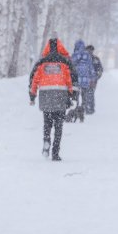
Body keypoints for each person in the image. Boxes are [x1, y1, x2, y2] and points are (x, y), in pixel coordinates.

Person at [29, 33, 76, 161]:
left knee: (47, 122)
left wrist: (32, 95)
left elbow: (35, 80)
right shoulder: (64, 62)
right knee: (59, 125)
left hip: (45, 95)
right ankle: (55, 152)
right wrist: (71, 94)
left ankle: (46, 142)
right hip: (60, 94)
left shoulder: (42, 63)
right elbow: (69, 80)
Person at [71, 40, 97, 115]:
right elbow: (91, 68)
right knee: (84, 95)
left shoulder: (74, 55)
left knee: (76, 95)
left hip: (76, 80)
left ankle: (76, 108)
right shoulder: (88, 55)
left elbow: (71, 66)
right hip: (86, 80)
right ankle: (83, 108)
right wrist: (93, 79)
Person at [86, 44, 103, 111]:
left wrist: (97, 77)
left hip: (92, 80)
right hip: (85, 79)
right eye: (88, 50)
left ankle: (90, 107)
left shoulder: (96, 59)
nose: (89, 51)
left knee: (90, 93)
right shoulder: (84, 59)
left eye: (91, 50)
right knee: (87, 93)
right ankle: (88, 107)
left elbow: (100, 69)